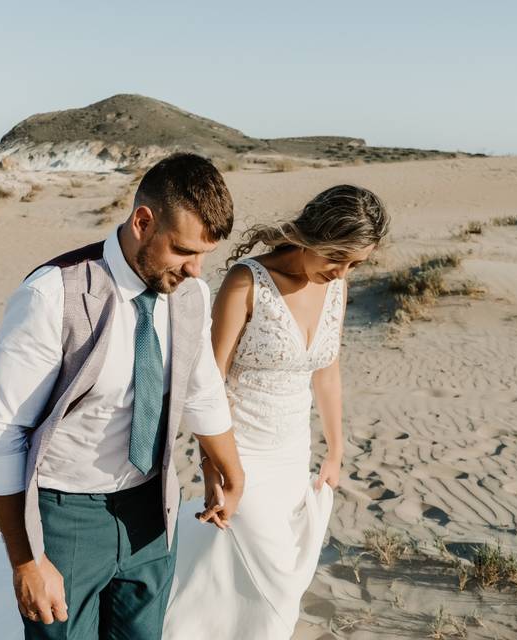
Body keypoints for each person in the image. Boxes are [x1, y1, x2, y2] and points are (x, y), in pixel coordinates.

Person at [0, 153, 245, 639]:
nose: (196, 269)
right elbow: (2, 431)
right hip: (67, 515)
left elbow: (201, 386)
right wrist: (27, 561)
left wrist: (230, 468)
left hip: (152, 506)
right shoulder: (51, 296)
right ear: (143, 222)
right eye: (185, 250)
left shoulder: (190, 293)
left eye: (205, 254)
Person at [163, 184, 389, 639]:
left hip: (292, 454)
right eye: (336, 257)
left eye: (354, 264)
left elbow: (327, 369)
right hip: (240, 451)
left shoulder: (336, 287)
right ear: (312, 236)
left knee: (256, 573)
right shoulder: (247, 283)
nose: (342, 272)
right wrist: (212, 469)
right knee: (273, 579)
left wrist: (335, 450)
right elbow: (210, 384)